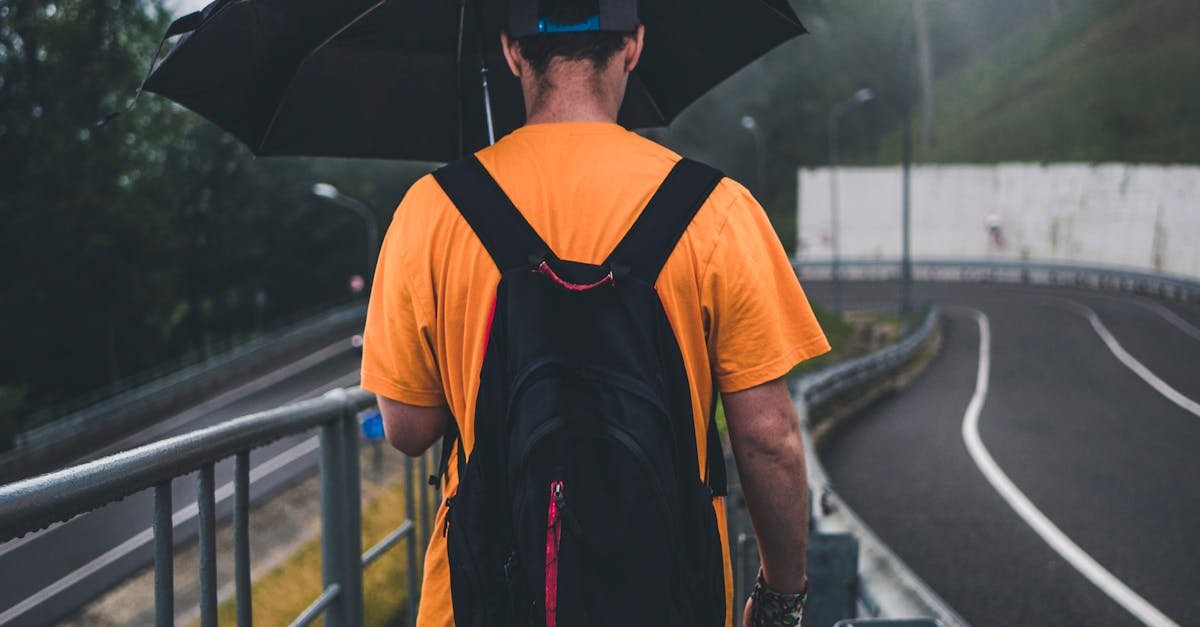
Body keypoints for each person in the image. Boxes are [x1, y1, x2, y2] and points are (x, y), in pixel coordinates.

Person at [360, 1, 830, 625]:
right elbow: (768, 437)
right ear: (632, 45)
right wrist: (779, 596)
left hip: (481, 599)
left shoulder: (433, 209)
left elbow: (407, 427)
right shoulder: (717, 208)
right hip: (670, 596)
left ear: (512, 52)